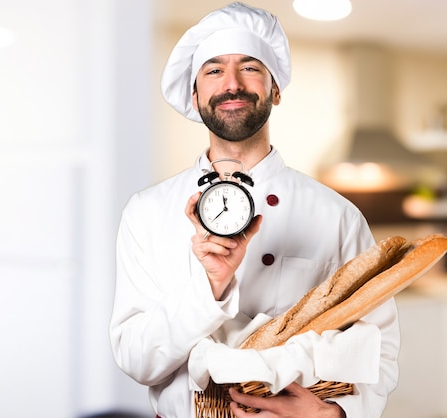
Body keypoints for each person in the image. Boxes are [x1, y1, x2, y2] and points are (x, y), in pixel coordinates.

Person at [109, 3, 400, 417]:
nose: (232, 84)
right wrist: (210, 288)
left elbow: (380, 350)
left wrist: (331, 415)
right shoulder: (146, 212)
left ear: (275, 89)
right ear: (195, 95)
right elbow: (136, 360)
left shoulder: (338, 215)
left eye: (250, 68)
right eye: (213, 70)